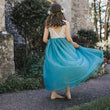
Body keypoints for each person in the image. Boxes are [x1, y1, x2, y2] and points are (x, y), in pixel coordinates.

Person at [43, 3, 104, 100]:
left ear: (51, 12)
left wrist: (53, 42)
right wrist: (74, 44)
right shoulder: (65, 23)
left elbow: (44, 39)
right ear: (61, 11)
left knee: (53, 68)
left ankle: (53, 93)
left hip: (53, 49)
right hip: (65, 48)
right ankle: (68, 93)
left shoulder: (48, 24)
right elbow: (68, 38)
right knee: (67, 67)